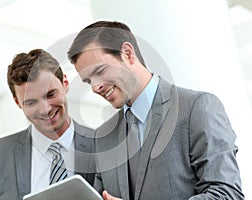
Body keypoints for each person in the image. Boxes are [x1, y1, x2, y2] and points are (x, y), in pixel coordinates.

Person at [68, 21, 244, 200]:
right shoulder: (104, 135)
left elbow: (227, 194)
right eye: (88, 81)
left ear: (128, 54)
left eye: (100, 71)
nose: (95, 87)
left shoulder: (197, 107)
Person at [0, 49, 95, 200]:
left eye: (51, 94)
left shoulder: (103, 144)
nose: (45, 109)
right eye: (31, 102)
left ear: (65, 83)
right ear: (17, 102)